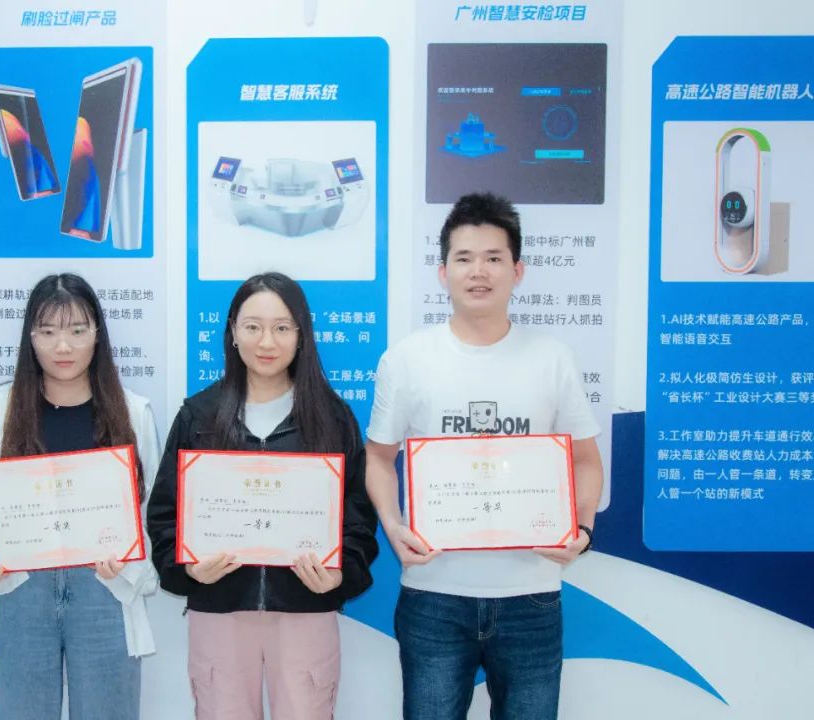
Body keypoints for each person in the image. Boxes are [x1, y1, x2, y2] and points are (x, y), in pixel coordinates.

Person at [365, 193, 603, 720]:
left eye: (494, 258)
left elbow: (586, 460)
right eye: (464, 258)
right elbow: (378, 458)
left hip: (531, 595)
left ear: (517, 271)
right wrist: (394, 526)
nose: (479, 271)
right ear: (442, 271)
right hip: (433, 593)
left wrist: (583, 530)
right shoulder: (407, 360)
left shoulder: (553, 359)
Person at [146, 272, 378, 720]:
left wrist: (339, 574)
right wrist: (187, 567)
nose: (266, 341)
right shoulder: (199, 416)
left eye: (282, 327)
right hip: (221, 608)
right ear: (232, 332)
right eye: (252, 326)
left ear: (301, 335)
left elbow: (358, 518)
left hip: (305, 608)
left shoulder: (332, 419)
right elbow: (164, 515)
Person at [0, 273, 159, 720]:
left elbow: (150, 512)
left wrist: (127, 565)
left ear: (97, 334)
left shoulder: (132, 413)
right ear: (30, 337)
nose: (62, 346)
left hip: (105, 588)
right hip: (21, 588)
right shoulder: (0, 410)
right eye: (47, 332)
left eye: (77, 331)